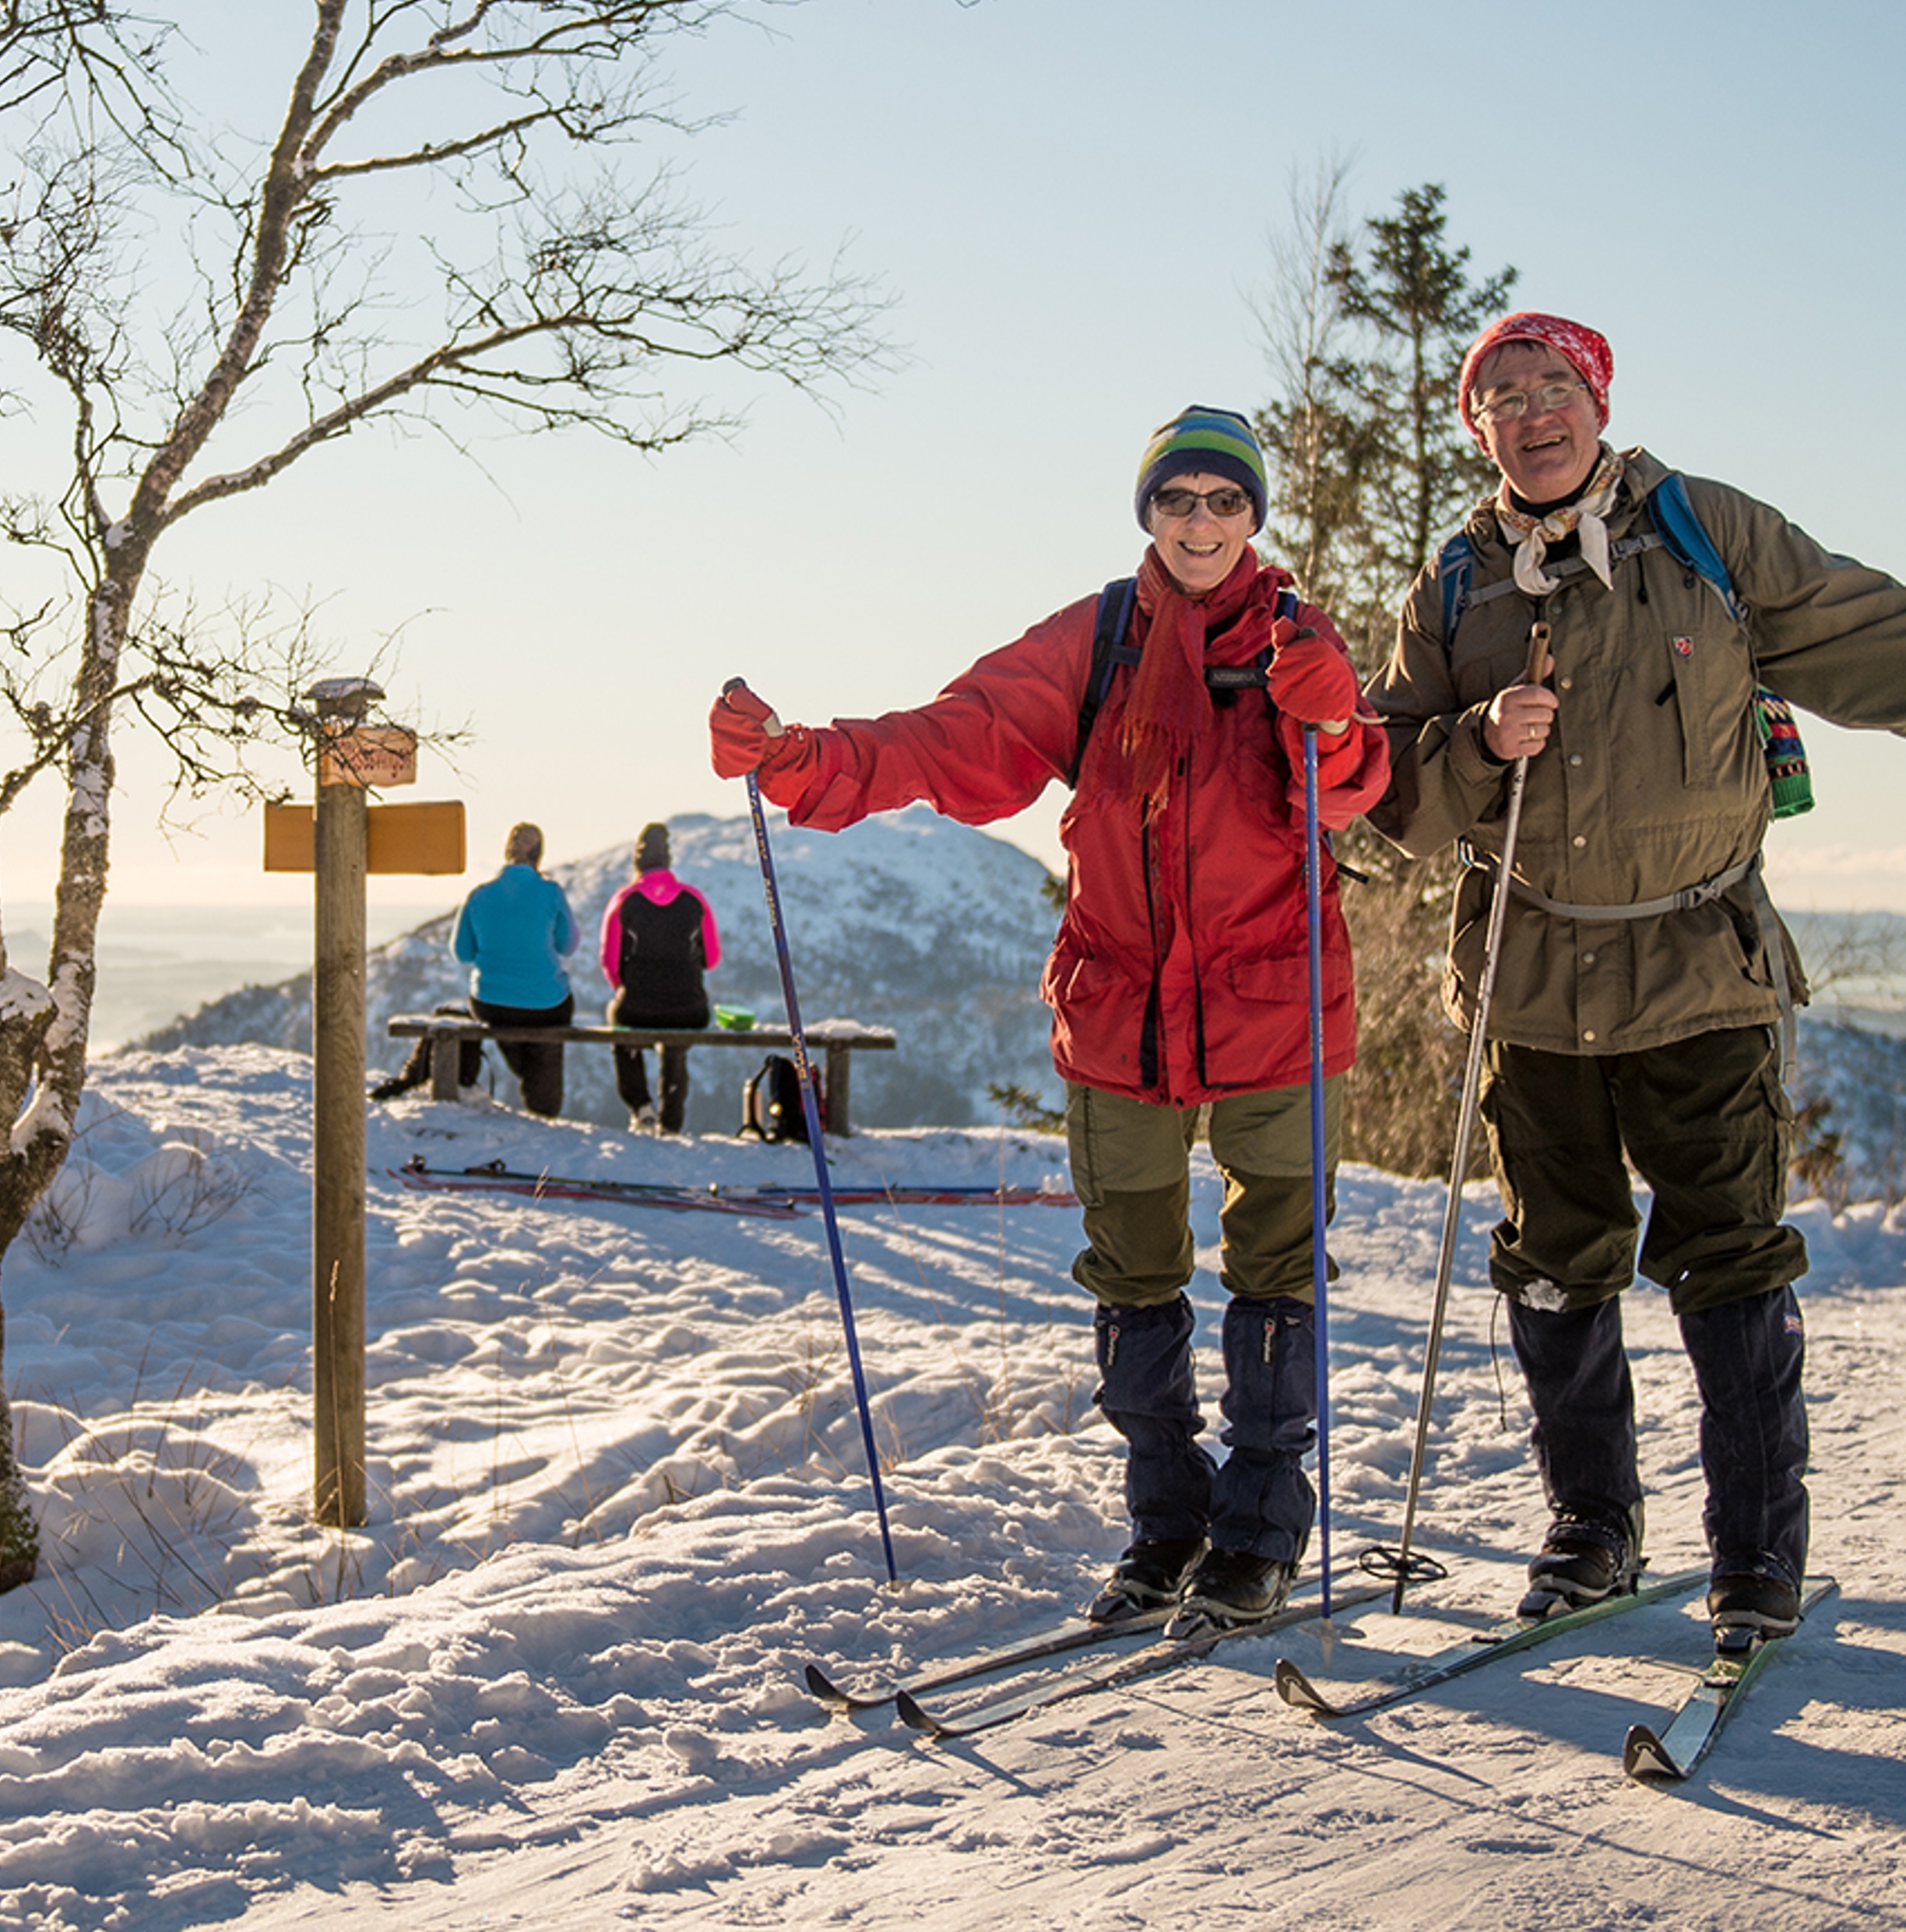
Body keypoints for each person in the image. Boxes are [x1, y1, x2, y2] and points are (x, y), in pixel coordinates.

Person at [1364, 310, 1906, 1645]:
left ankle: (1755, 1560)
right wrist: (1479, 744)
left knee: (1729, 1264)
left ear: (1600, 405)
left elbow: (1868, 635)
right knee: (1555, 1263)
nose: (1535, 412)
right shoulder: (1453, 585)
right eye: (1505, 394)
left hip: (1699, 972)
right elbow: (1389, 800)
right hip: (1532, 981)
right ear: (1474, 426)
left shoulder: (1704, 533)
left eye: (1557, 386)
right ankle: (1591, 1533)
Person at [709, 408, 1390, 1629]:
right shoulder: (1099, 641)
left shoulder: (1298, 638)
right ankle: (1166, 1522)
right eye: (1176, 499)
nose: (1200, 521)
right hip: (1121, 1011)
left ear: (1254, 518)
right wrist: (804, 758)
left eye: (1224, 501)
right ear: (1149, 515)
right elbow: (957, 737)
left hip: (1275, 1014)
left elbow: (1349, 793)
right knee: (1132, 1275)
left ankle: (1263, 1531)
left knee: (1278, 1275)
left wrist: (1334, 722)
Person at [448, 822, 580, 1115]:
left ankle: (533, 1086)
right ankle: (544, 1105)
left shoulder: (479, 895)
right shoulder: (550, 892)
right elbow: (568, 946)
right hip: (547, 1004)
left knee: (510, 1020)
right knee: (547, 1031)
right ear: (539, 855)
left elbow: (462, 953)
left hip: (490, 1003)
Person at [603, 822, 719, 1134]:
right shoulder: (694, 899)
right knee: (675, 1047)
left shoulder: (624, 901)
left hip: (638, 1007)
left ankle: (641, 1107)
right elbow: (712, 958)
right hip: (689, 1008)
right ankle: (671, 1121)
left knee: (622, 1028)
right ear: (668, 860)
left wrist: (628, 988)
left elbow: (610, 962)